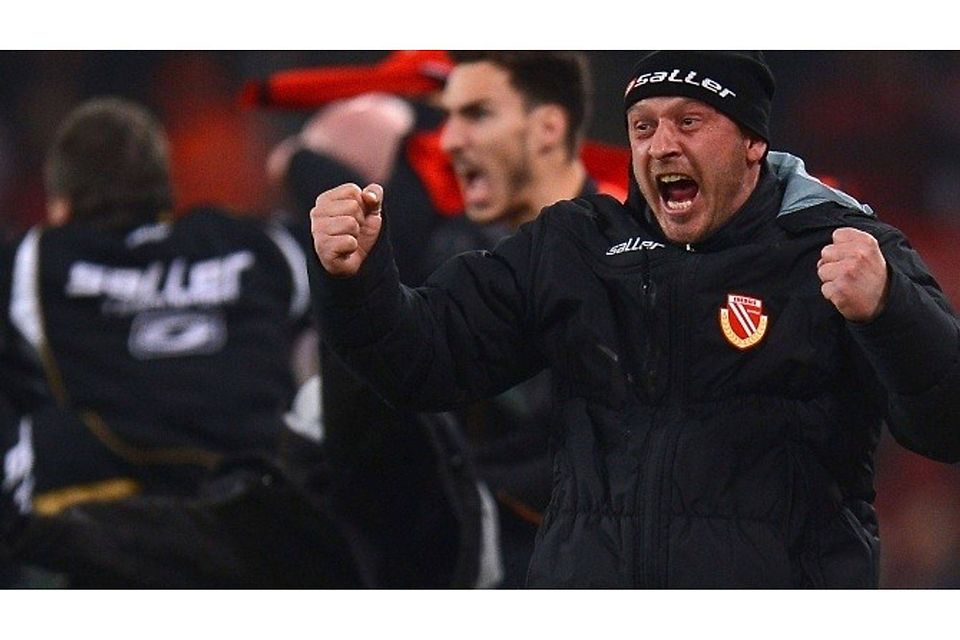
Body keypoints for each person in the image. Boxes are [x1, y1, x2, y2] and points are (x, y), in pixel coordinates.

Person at [309, 50, 960, 588]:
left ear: (753, 140)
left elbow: (947, 422)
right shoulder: (577, 246)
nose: (662, 146)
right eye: (643, 127)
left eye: (689, 122)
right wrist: (357, 278)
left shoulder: (840, 248)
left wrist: (890, 310)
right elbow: (425, 359)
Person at [0, 96, 493, 588]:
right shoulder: (261, 246)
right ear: (166, 191)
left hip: (96, 533)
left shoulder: (32, 260)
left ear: (59, 204)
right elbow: (366, 244)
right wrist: (299, 161)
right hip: (251, 526)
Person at [280, 50, 610, 587]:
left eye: (477, 114)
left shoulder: (631, 260)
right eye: (448, 116)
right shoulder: (444, 250)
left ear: (548, 127)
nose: (450, 139)